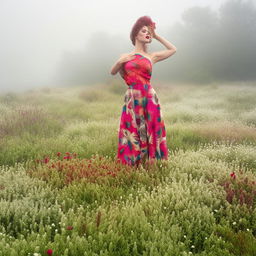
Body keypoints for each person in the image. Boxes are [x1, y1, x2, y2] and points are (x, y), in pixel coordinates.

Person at [110, 15, 177, 167]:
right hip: (132, 97)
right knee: (132, 130)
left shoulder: (151, 56)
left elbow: (173, 49)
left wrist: (156, 35)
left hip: (149, 96)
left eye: (148, 32)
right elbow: (113, 72)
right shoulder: (125, 56)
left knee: (152, 130)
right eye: (143, 31)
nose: (147, 34)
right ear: (135, 35)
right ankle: (133, 164)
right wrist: (121, 61)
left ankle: (152, 164)